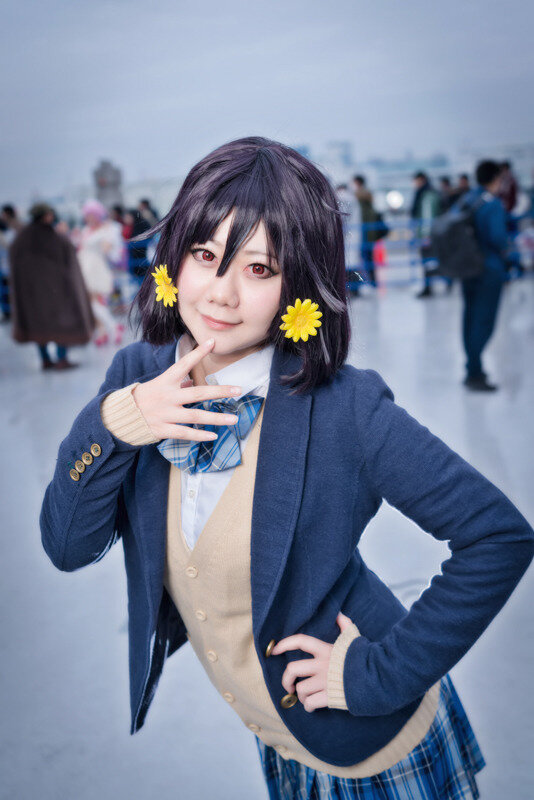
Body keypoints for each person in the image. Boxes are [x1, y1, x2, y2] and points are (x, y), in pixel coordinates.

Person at [40, 137, 533, 800]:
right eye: (205, 255)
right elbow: (67, 546)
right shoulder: (137, 375)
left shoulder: (345, 407)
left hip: (376, 749)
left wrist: (376, 675)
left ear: (296, 285)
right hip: (282, 743)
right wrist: (116, 423)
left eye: (259, 268)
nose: (222, 294)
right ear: (174, 259)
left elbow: (498, 535)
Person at [8, 203, 94, 369]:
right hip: (57, 292)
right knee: (62, 323)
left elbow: (15, 261)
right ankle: (61, 359)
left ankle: (45, 359)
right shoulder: (54, 237)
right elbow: (69, 263)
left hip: (31, 294)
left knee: (37, 325)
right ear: (45, 216)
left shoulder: (21, 238)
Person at [459, 160, 508, 392]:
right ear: (495, 178)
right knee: (484, 321)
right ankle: (474, 372)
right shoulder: (493, 204)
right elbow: (498, 238)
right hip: (489, 270)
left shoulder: (468, 199)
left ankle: (473, 367)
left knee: (470, 318)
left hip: (467, 268)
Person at [77, 199, 125, 346]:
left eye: (91, 214)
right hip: (84, 267)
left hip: (96, 268)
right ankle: (104, 330)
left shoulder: (107, 229)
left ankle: (112, 327)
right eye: (87, 215)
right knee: (93, 301)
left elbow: (107, 249)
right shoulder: (85, 230)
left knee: (95, 300)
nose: (89, 218)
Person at [410, 172, 441, 298]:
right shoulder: (428, 193)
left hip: (427, 234)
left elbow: (427, 215)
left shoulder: (426, 195)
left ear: (422, 180)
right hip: (429, 233)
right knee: (429, 261)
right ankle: (429, 286)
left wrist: (426, 235)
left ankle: (428, 288)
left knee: (428, 261)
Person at [352, 175, 379, 289]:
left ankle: (368, 282)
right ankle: (370, 282)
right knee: (367, 257)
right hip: (367, 232)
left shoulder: (359, 198)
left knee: (363, 257)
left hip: (364, 232)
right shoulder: (366, 199)